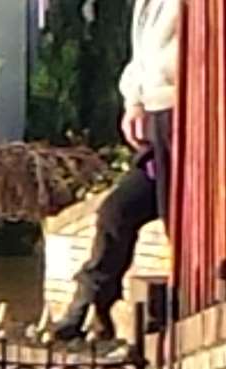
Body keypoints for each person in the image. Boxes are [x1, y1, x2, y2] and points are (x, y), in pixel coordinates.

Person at [53, 0, 181, 341]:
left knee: (178, 217)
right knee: (117, 211)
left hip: (185, 113)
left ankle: (181, 307)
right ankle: (93, 302)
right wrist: (134, 102)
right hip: (157, 116)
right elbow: (142, 58)